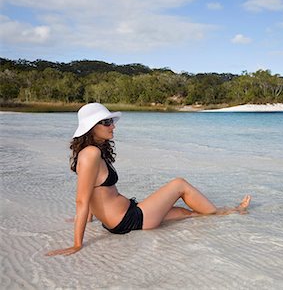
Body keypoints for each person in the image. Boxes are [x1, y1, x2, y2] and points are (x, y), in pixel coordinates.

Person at [46, 103, 251, 256]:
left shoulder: (92, 151)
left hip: (123, 217)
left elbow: (92, 191)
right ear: (92, 126)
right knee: (179, 184)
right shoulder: (91, 153)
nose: (112, 126)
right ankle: (226, 211)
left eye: (111, 122)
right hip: (128, 219)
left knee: (187, 213)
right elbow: (82, 199)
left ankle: (227, 212)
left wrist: (90, 219)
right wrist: (77, 244)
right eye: (106, 122)